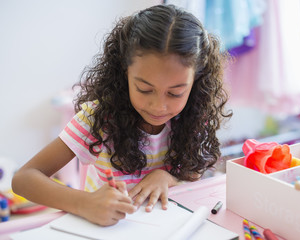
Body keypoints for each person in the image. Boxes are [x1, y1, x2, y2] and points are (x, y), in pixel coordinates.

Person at [12, 4, 232, 226]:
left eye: (175, 93)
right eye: (145, 89)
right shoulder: (97, 119)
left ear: (195, 83)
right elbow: (24, 178)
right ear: (124, 73)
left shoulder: (193, 115)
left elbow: (194, 172)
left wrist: (169, 177)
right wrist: (84, 203)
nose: (159, 106)